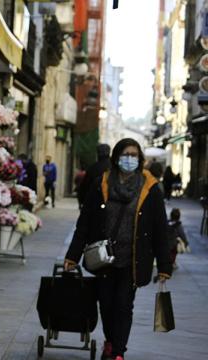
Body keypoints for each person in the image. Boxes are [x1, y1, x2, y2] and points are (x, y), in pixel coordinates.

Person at [64, 138, 172, 360]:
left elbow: (160, 229)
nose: (129, 159)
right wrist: (72, 255)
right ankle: (111, 342)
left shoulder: (150, 189)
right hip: (104, 258)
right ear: (116, 157)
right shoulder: (101, 183)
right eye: (125, 154)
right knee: (106, 304)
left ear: (140, 159)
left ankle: (118, 352)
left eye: (134, 155)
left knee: (123, 305)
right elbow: (84, 222)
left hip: (133, 260)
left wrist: (164, 265)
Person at [77, 143, 111, 209]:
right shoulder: (114, 167)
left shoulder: (92, 168)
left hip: (94, 203)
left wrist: (82, 202)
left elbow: (85, 186)